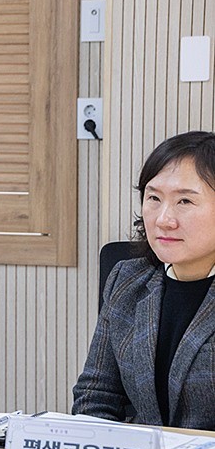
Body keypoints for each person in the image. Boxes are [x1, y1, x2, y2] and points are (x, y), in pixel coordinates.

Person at [74, 131, 215, 430]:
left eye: (185, 201)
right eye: (153, 198)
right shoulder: (128, 280)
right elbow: (95, 396)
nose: (164, 219)